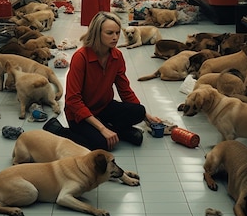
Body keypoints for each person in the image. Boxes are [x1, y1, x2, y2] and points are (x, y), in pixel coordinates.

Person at [43, 11, 162, 150]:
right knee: (100, 145)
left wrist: (146, 116)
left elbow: (125, 90)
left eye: (117, 33)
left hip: (103, 107)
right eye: (110, 33)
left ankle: (113, 128)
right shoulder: (81, 57)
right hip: (79, 113)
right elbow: (72, 100)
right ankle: (58, 130)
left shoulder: (116, 56)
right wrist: (101, 129)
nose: (115, 37)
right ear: (96, 33)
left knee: (139, 111)